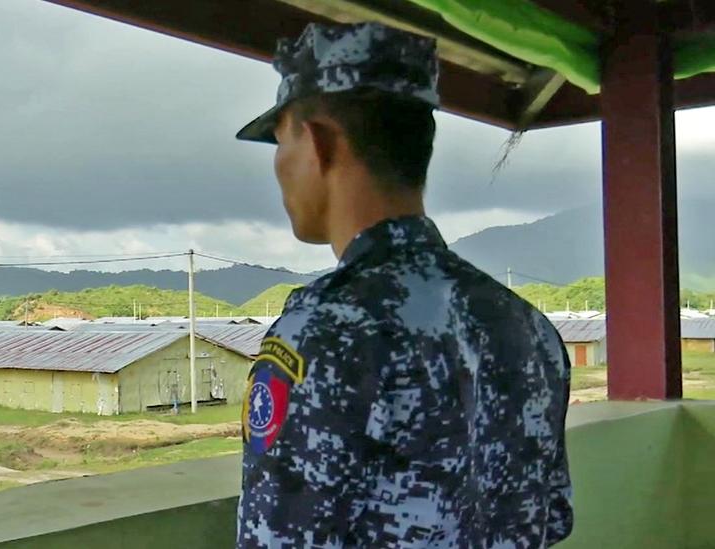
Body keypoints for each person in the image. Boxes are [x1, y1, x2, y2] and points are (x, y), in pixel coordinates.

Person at [234, 22, 572, 548]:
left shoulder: (329, 328)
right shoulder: (527, 325)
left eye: (280, 142)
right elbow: (550, 518)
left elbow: (277, 536)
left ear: (319, 144)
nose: (278, 167)